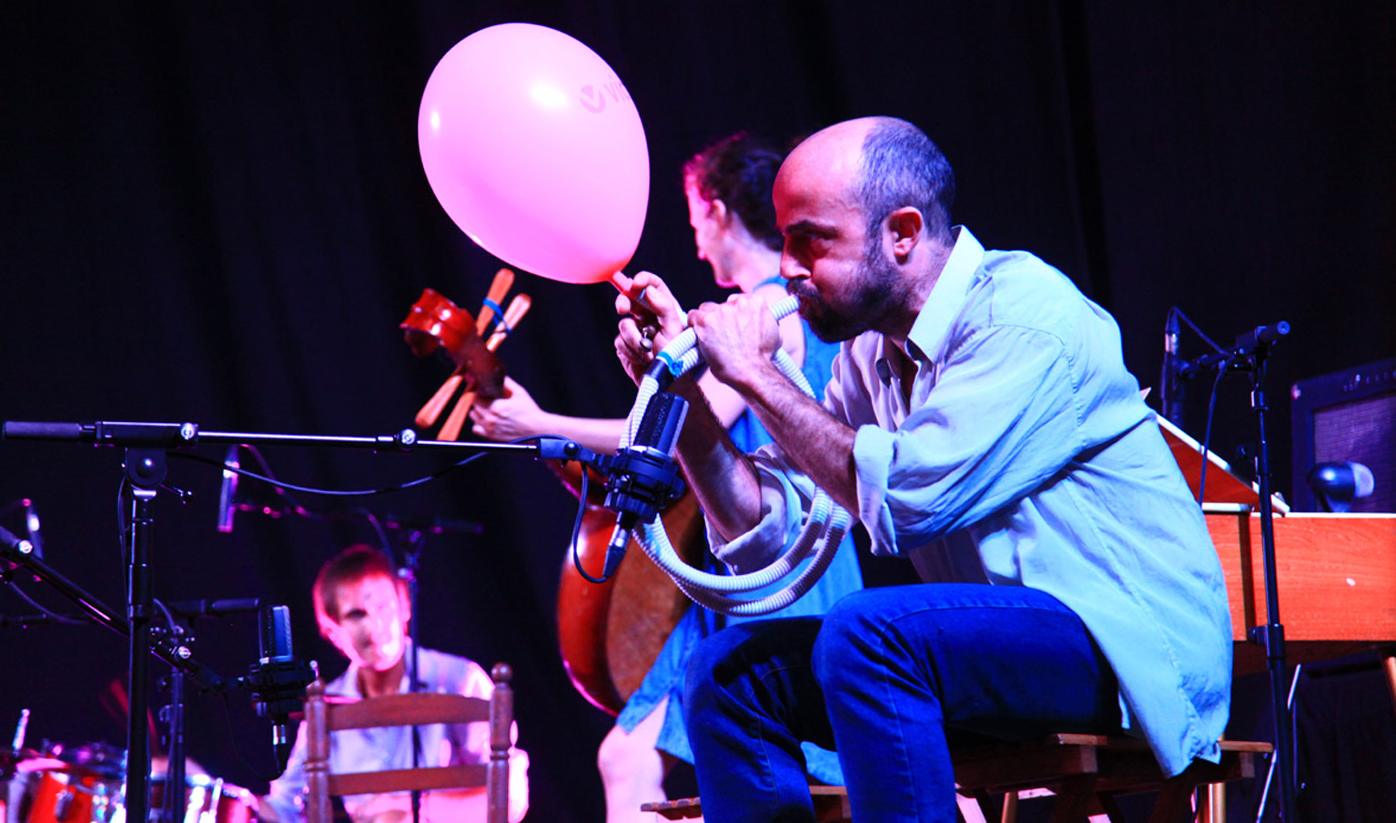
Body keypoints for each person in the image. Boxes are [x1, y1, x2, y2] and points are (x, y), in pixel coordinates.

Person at [611, 116, 1233, 823]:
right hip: (991, 653)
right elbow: (767, 530)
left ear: (901, 233)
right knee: (727, 674)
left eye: (810, 240)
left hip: (1124, 645)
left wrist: (755, 374)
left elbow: (906, 501)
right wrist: (689, 399)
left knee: (866, 637)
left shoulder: (1024, 316)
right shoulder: (870, 358)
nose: (787, 267)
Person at [469, 132, 863, 822]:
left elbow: (686, 423)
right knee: (637, 758)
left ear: (713, 208)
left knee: (751, 762)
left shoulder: (768, 310)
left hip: (785, 563)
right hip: (740, 563)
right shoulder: (763, 309)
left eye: (692, 216)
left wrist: (539, 424)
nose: (694, 237)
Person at [258, 545, 529, 823]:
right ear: (332, 631)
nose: (374, 625)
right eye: (356, 615)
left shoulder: (458, 679)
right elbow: (284, 807)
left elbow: (512, 795)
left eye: (383, 607)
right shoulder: (326, 706)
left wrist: (413, 808)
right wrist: (229, 802)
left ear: (406, 608)